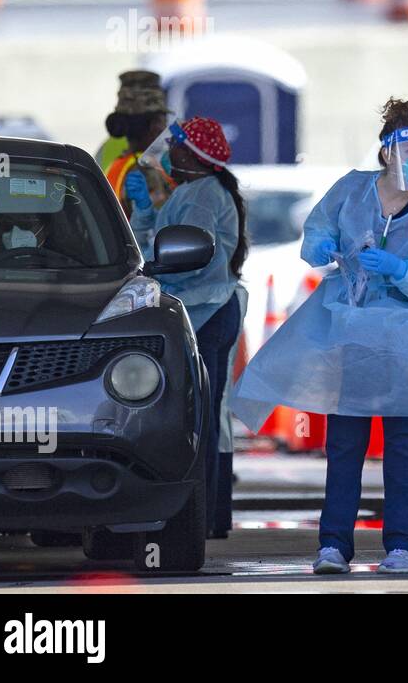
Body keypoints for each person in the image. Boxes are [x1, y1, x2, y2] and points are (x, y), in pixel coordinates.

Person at [231, 98, 408, 575]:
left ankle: (405, 546)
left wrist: (401, 269)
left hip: (406, 343)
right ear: (386, 154)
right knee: (345, 444)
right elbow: (316, 234)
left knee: (403, 446)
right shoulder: (352, 191)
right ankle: (334, 545)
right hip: (353, 337)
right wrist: (325, 247)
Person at [127, 117, 246, 539]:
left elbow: (190, 261)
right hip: (210, 308)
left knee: (202, 421)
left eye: (175, 145)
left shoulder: (199, 197)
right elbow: (163, 240)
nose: (167, 152)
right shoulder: (196, 192)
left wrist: (157, 278)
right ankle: (209, 515)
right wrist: (145, 213)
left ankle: (206, 516)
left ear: (190, 155)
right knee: (207, 417)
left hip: (206, 311)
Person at [102, 70, 174, 219]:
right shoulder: (146, 169)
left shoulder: (118, 164)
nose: (166, 127)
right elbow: (159, 227)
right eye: (163, 120)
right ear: (155, 125)